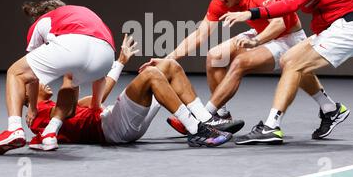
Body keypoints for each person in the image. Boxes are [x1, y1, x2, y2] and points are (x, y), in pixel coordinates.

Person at [141, 0, 343, 142]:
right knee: (215, 56)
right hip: (261, 32)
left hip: (286, 37)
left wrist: (254, 41)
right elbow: (200, 34)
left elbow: (278, 23)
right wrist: (168, 60)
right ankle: (222, 116)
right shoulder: (220, 0)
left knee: (240, 63)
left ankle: (203, 117)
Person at [220, 0, 353, 144]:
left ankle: (271, 126)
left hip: (351, 28)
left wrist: (251, 14)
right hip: (338, 27)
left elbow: (293, 5)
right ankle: (330, 109)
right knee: (287, 58)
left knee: (293, 64)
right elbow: (307, 5)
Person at [27, 34, 232, 148]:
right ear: (29, 98)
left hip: (122, 123)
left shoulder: (59, 106)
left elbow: (99, 97)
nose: (41, 81)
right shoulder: (39, 117)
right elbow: (59, 113)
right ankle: (197, 131)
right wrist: (70, 69)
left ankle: (204, 119)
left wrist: (120, 62)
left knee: (169, 66)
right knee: (151, 75)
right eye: (33, 84)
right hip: (112, 128)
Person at [0, 0, 115, 154]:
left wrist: (32, 107)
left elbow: (32, 76)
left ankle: (14, 129)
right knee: (70, 80)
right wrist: (96, 105)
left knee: (16, 72)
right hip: (107, 55)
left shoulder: (42, 21)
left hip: (74, 44)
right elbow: (99, 81)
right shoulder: (77, 13)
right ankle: (50, 132)